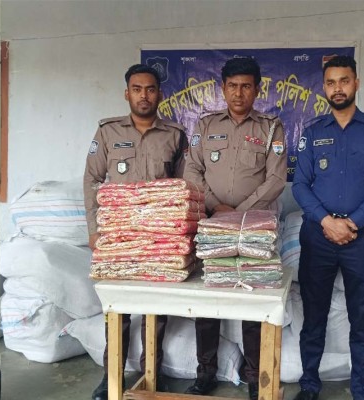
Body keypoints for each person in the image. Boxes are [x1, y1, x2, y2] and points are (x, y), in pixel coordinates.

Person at [291, 55, 364, 400]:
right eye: (331, 82)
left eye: (344, 81)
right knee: (314, 316)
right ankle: (309, 385)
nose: (338, 88)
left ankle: (361, 391)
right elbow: (300, 185)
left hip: (361, 238)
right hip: (318, 236)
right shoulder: (312, 132)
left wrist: (351, 223)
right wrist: (327, 221)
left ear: (356, 83)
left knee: (361, 317)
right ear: (324, 87)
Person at [183, 57, 287, 400]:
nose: (238, 93)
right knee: (208, 297)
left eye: (246, 86)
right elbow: (192, 170)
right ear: (223, 89)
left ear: (257, 89)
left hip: (254, 228)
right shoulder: (205, 125)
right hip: (212, 225)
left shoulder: (271, 128)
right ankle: (206, 373)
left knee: (251, 297)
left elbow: (276, 178)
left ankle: (255, 376)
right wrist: (217, 207)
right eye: (232, 86)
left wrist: (239, 214)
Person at [84, 64, 188, 400]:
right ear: (126, 93)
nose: (144, 96)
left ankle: (152, 374)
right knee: (117, 309)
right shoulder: (107, 132)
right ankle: (110, 376)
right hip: (119, 236)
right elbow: (92, 180)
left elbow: (184, 186)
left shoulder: (174, 134)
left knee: (156, 310)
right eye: (137, 89)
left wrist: (179, 236)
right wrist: (94, 229)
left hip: (159, 238)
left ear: (160, 94)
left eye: (150, 89)